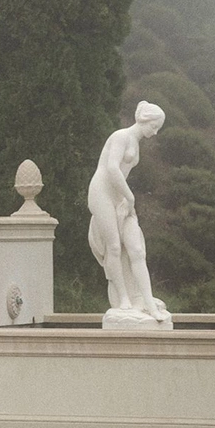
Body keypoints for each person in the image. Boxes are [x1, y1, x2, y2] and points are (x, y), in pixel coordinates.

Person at [87, 100, 169, 324]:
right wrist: (130, 196)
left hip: (120, 195)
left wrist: (126, 199)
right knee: (113, 246)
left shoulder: (136, 142)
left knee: (136, 249)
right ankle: (123, 299)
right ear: (145, 120)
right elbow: (112, 168)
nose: (155, 132)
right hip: (102, 192)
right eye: (154, 126)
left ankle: (148, 302)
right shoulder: (121, 136)